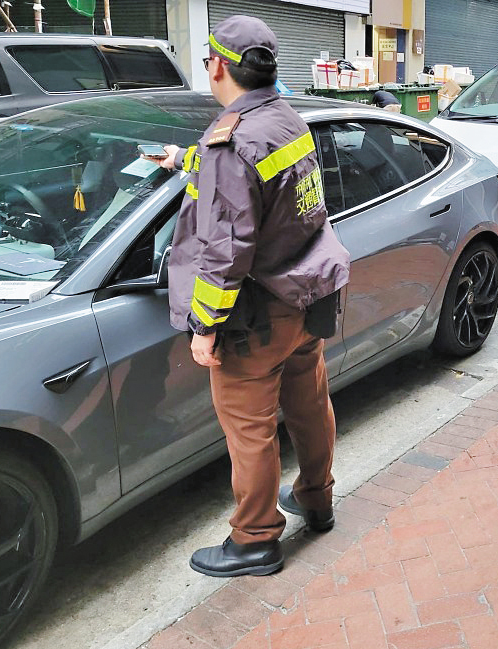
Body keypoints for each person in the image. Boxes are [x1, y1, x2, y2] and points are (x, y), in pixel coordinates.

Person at [149, 15, 350, 578]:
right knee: (310, 407)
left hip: (253, 317)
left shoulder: (231, 142)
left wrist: (204, 326)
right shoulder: (287, 119)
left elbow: (225, 248)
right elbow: (259, 181)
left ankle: (256, 539)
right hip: (305, 299)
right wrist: (187, 159)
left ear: (216, 64)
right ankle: (316, 497)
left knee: (250, 430)